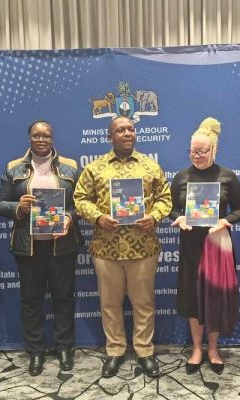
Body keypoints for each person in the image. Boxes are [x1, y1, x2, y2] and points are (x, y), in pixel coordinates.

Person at [73, 116, 172, 378]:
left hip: (143, 248)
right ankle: (115, 350)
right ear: (110, 137)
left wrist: (154, 217)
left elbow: (165, 199)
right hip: (106, 249)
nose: (128, 133)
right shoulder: (95, 168)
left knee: (144, 303)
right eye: (121, 130)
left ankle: (145, 351)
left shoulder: (151, 166)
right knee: (110, 303)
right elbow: (80, 199)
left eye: (131, 129)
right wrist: (98, 217)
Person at [0, 120, 84, 375]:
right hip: (29, 247)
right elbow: (0, 204)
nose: (41, 139)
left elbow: (81, 203)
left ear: (52, 138)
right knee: (31, 300)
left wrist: (69, 217)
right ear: (29, 138)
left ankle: (64, 348)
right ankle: (35, 351)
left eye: (46, 135)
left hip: (62, 245)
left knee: (63, 298)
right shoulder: (13, 168)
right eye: (36, 135)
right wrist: (18, 207)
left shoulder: (70, 167)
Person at [169, 117, 240, 375]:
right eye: (192, 151)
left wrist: (225, 221)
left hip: (217, 246)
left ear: (214, 149)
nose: (197, 156)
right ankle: (196, 349)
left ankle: (213, 349)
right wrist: (179, 218)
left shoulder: (227, 176)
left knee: (214, 298)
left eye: (202, 151)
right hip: (191, 246)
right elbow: (172, 209)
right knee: (193, 298)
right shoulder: (181, 177)